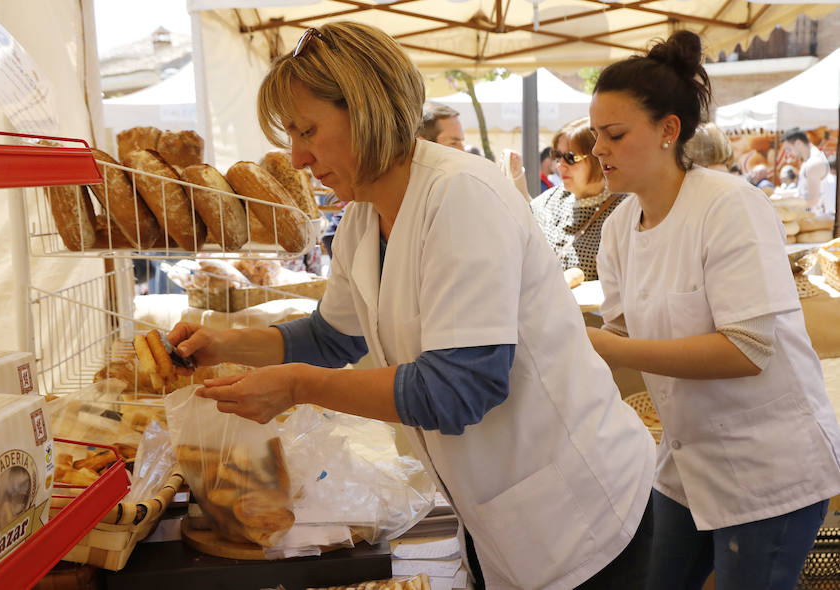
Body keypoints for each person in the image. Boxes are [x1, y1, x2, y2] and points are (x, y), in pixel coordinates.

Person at [170, 22, 656, 590]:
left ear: (368, 110)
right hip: (498, 514)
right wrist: (224, 343)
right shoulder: (360, 217)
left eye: (308, 130)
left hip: (585, 517)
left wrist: (297, 385)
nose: (298, 157)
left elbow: (459, 388)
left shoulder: (460, 195)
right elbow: (333, 338)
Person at [587, 29, 840, 590]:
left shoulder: (729, 207)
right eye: (594, 134)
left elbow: (746, 349)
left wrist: (612, 347)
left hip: (766, 466)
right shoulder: (619, 228)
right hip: (685, 463)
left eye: (614, 134)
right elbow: (620, 332)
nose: (597, 148)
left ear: (667, 131)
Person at [529, 116, 627, 280]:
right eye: (557, 155)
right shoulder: (547, 202)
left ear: (597, 158)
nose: (560, 165)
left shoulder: (627, 210)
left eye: (570, 157)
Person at [781, 127, 831, 213]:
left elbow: (812, 201)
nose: (789, 153)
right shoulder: (810, 160)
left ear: (798, 143)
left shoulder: (813, 163)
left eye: (789, 149)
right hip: (812, 219)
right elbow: (803, 192)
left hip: (816, 221)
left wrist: (785, 206)